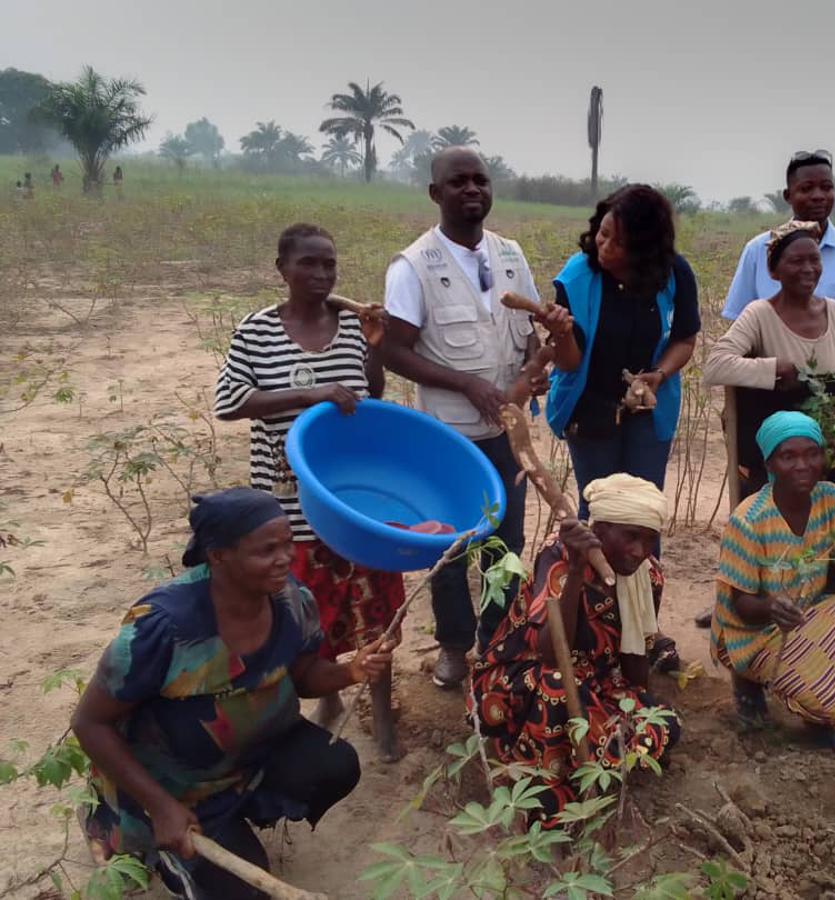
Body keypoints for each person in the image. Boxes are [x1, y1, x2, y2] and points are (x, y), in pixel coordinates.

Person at [72, 488, 393, 900]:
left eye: (287, 545)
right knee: (244, 895)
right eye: (267, 550)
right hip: (176, 787)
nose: (285, 559)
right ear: (218, 555)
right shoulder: (164, 629)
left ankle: (237, 817)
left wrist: (350, 671)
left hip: (248, 760)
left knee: (335, 764)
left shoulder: (291, 600)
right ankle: (143, 838)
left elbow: (302, 675)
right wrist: (162, 807)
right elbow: (89, 723)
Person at [214, 223, 404, 760]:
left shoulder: (350, 326)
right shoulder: (256, 331)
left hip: (351, 500)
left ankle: (384, 715)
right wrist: (310, 392)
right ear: (282, 269)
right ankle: (317, 704)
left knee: (373, 609)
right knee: (301, 616)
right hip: (287, 505)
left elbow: (367, 395)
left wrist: (372, 349)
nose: (321, 275)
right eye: (308, 264)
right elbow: (230, 402)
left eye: (329, 265)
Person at [382, 147, 553, 689]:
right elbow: (394, 350)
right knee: (452, 547)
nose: (472, 190)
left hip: (508, 432)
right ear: (436, 193)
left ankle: (498, 643)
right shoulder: (413, 266)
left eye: (481, 180)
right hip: (448, 437)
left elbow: (527, 332)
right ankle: (455, 647)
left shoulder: (510, 254)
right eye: (458, 182)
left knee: (507, 544)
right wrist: (466, 383)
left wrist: (534, 368)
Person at [470, 474, 681, 822]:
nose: (640, 552)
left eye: (649, 539)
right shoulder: (558, 558)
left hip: (591, 683)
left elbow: (634, 657)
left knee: (665, 723)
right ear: (599, 529)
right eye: (630, 536)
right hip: (525, 677)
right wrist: (578, 570)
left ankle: (586, 760)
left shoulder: (647, 576)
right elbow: (552, 652)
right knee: (556, 689)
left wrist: (641, 706)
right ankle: (546, 786)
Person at [710, 412, 835, 757]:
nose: (803, 465)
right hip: (752, 635)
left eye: (812, 453)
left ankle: (822, 711)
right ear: (770, 464)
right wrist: (771, 607)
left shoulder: (830, 500)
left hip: (806, 618)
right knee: (823, 681)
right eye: (788, 456)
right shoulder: (748, 521)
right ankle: (752, 683)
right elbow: (742, 608)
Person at [546, 184, 701, 515]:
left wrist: (660, 374)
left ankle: (645, 569)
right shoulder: (577, 277)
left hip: (649, 409)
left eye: (620, 243)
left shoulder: (674, 274)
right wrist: (561, 333)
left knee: (644, 509)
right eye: (603, 234)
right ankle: (595, 569)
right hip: (589, 407)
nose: (606, 247)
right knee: (600, 508)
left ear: (645, 250)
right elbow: (569, 364)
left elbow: (685, 339)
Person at [705, 219, 835, 501]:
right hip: (768, 470)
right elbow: (716, 365)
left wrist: (830, 453)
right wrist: (770, 371)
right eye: (796, 261)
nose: (808, 269)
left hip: (826, 467)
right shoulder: (759, 314)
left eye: (814, 260)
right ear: (773, 270)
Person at [722, 150, 835, 399]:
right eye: (806, 188)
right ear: (788, 196)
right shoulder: (759, 250)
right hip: (768, 392)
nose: (818, 196)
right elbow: (737, 332)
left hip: (833, 396)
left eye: (826, 187)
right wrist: (737, 402)